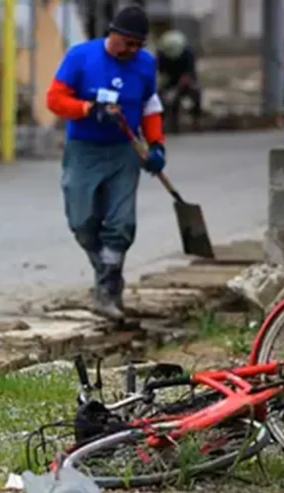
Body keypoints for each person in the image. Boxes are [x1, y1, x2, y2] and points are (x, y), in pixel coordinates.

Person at [45, 4, 166, 321]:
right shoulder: (80, 57)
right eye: (128, 43)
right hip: (84, 149)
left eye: (139, 45)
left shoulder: (144, 64)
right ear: (113, 34)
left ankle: (107, 291)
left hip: (124, 151)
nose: (132, 50)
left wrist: (156, 145)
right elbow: (54, 99)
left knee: (121, 224)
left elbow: (151, 105)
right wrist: (88, 109)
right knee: (82, 222)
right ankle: (106, 273)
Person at [156, 29, 202, 133]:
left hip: (186, 81)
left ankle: (196, 121)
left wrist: (177, 90)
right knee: (162, 99)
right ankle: (164, 124)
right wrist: (163, 88)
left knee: (196, 93)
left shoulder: (188, 53)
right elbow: (161, 73)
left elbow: (187, 75)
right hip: (170, 80)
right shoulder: (162, 53)